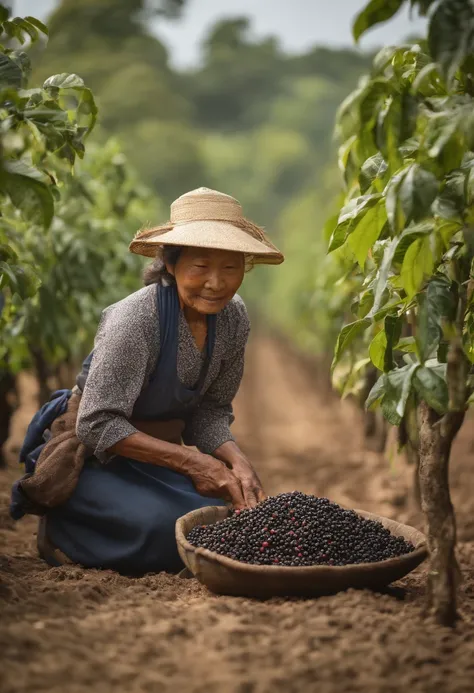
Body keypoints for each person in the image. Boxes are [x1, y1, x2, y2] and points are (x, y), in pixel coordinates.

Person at [25, 187, 284, 575]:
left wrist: (237, 462)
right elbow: (97, 424)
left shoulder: (234, 319)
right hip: (100, 457)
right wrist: (195, 462)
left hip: (158, 455)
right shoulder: (137, 320)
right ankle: (65, 527)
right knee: (167, 530)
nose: (216, 282)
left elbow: (210, 411)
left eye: (230, 267)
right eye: (200, 266)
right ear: (171, 263)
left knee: (222, 523)